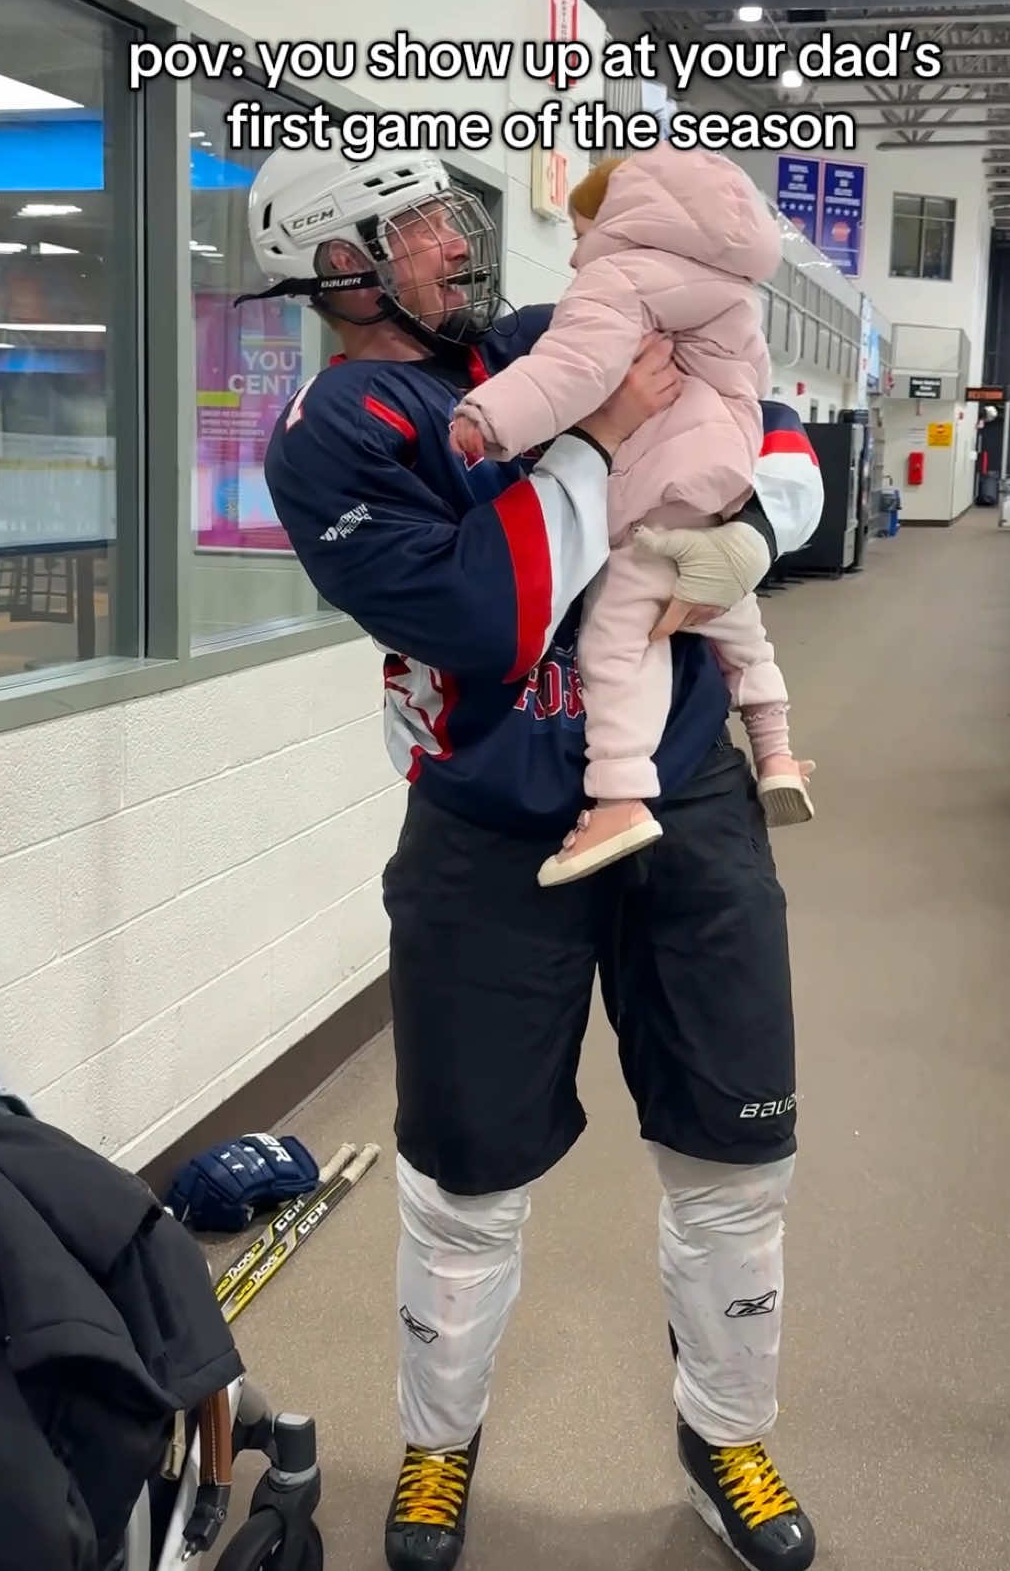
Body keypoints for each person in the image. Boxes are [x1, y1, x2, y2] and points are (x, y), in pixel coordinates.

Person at [242, 131, 823, 1571]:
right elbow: (486, 614)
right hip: (489, 837)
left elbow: (776, 427)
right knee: (461, 1174)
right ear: (342, 264)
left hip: (683, 802)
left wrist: (748, 524)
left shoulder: (543, 340)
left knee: (736, 1151)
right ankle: (439, 1447)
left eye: (452, 212)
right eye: (423, 224)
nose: (461, 240)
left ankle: (725, 1435)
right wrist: (605, 437)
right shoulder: (332, 433)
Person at [448, 147, 816, 886]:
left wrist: (490, 418)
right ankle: (775, 749)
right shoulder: (736, 293)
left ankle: (618, 795)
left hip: (651, 495)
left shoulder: (618, 279)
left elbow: (574, 366)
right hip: (721, 494)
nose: (577, 249)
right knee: (737, 625)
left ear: (626, 219)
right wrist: (752, 525)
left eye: (583, 230)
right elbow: (759, 396)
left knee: (619, 638)